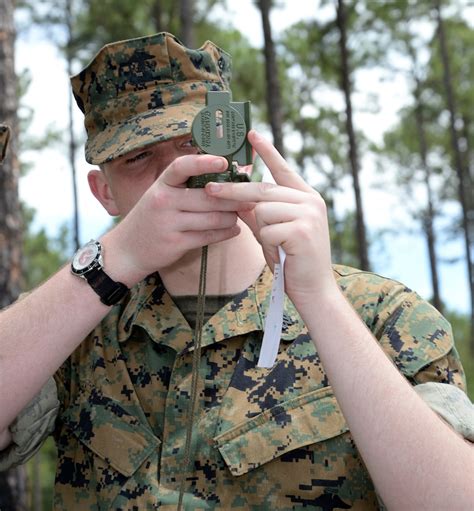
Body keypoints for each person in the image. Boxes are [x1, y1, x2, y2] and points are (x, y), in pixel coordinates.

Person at [0, 32, 472, 510]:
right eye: (138, 157)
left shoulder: (380, 314)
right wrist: (108, 264)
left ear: (241, 158)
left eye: (194, 141)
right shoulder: (74, 325)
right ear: (104, 193)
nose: (178, 170)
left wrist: (320, 300)